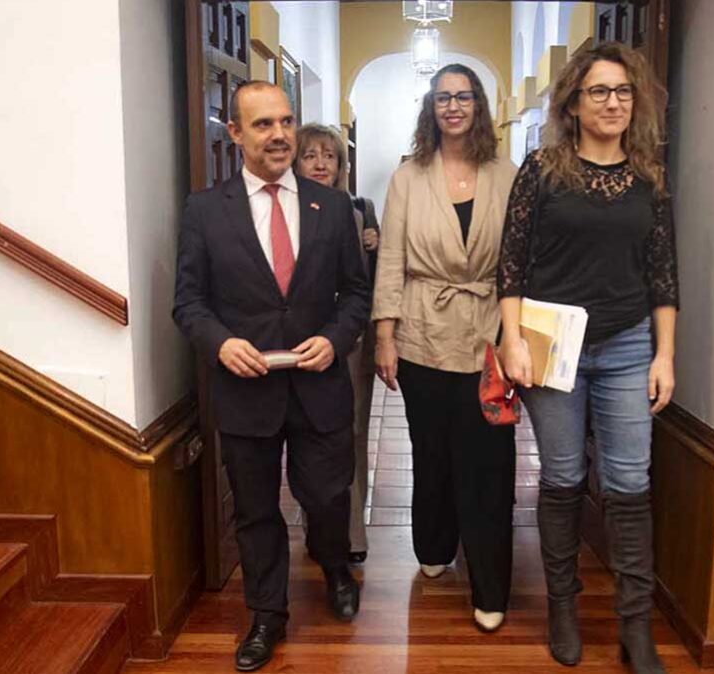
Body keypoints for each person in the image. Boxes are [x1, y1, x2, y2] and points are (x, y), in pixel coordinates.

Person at [173, 81, 371, 672]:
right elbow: (189, 302)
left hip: (319, 387)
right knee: (257, 511)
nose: (280, 134)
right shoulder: (205, 211)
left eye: (286, 121)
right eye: (263, 124)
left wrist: (336, 340)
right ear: (234, 133)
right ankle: (267, 615)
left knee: (328, 497)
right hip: (245, 392)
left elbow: (356, 295)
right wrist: (221, 343)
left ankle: (336, 568)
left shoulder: (334, 206)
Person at [496, 43, 679, 674]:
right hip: (553, 347)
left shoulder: (649, 177)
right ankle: (563, 608)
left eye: (623, 91)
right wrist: (512, 340)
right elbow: (511, 265)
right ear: (573, 103)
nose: (613, 103)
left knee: (631, 485)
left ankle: (635, 627)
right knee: (564, 478)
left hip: (629, 346)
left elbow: (664, 276)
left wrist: (666, 357)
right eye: (599, 91)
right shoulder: (543, 169)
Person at [372, 63, 519, 632]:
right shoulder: (409, 176)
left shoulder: (507, 174)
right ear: (430, 110)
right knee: (430, 449)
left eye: (463, 96)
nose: (453, 106)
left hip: (490, 335)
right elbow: (390, 261)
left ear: (479, 105)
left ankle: (489, 583)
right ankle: (433, 544)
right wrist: (385, 335)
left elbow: (521, 263)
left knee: (488, 459)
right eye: (442, 98)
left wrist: (519, 339)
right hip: (421, 332)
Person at [295, 123, 379, 565]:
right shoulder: (282, 210)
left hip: (350, 341)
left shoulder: (360, 209)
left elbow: (372, 283)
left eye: (329, 156)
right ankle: (317, 533)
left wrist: (377, 246)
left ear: (342, 166)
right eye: (310, 155)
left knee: (351, 435)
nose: (321, 163)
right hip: (297, 344)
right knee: (307, 438)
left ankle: (352, 536)